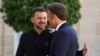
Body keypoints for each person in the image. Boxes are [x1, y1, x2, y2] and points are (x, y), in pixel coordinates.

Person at [16, 7, 88, 56]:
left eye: (45, 18)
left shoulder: (54, 34)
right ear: (32, 20)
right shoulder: (25, 36)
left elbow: (65, 52)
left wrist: (81, 53)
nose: (42, 21)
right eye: (39, 18)